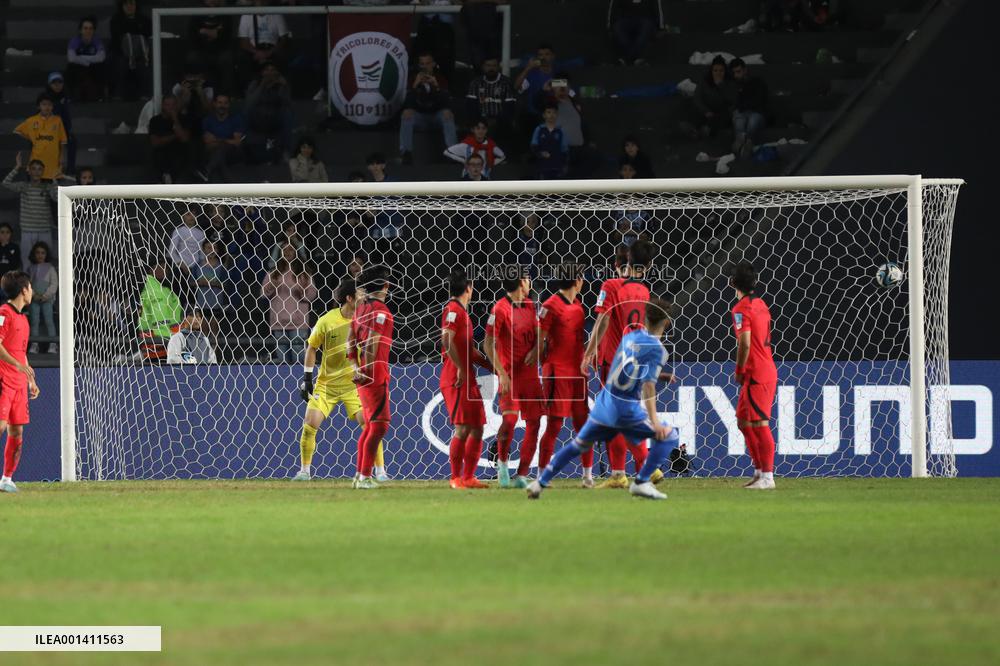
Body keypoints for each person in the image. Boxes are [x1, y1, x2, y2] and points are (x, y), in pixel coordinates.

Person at [528, 298, 679, 501]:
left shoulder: (630, 337)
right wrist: (654, 420)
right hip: (625, 408)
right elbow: (648, 385)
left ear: (644, 318)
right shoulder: (659, 349)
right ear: (667, 322)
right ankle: (642, 482)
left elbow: (627, 367)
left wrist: (660, 375)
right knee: (669, 435)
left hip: (604, 402)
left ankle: (539, 483)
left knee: (578, 444)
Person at [581, 240, 664, 488]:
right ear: (647, 266)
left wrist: (589, 350)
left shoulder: (611, 286)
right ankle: (619, 474)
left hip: (614, 361)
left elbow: (603, 320)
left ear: (621, 264)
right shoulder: (644, 291)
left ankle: (648, 466)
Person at [296, 279, 388, 482]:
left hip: (353, 385)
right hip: (326, 385)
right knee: (310, 424)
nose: (365, 298)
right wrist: (307, 378)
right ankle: (304, 472)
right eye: (361, 294)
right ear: (349, 298)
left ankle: (381, 472)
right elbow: (311, 347)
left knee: (370, 424)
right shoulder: (326, 321)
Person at [535, 262, 595, 486]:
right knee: (554, 425)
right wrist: (544, 363)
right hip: (556, 374)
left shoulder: (578, 306)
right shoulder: (550, 305)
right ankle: (542, 475)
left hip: (578, 374)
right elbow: (539, 338)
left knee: (583, 424)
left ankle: (588, 476)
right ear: (577, 281)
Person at [484, 270, 542, 488]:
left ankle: (522, 474)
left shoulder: (530, 305)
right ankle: (502, 464)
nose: (530, 283)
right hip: (509, 375)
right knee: (509, 420)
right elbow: (487, 344)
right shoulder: (499, 309)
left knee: (535, 423)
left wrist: (536, 351)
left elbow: (538, 336)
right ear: (520, 283)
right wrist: (501, 372)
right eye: (527, 280)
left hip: (529, 375)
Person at [729, 260, 779, 490]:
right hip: (763, 368)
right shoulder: (761, 304)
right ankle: (759, 472)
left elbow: (745, 343)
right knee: (742, 421)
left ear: (732, 283)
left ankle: (768, 477)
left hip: (756, 372)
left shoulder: (740, 309)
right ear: (755, 282)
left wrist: (739, 369)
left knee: (759, 423)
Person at [440, 269, 492, 488]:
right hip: (456, 377)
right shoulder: (453, 309)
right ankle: (455, 478)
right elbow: (445, 339)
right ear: (468, 288)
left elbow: (469, 349)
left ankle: (469, 477)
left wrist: (491, 366)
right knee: (462, 428)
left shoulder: (463, 312)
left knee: (478, 426)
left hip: (467, 375)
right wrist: (461, 367)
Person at [348, 265, 395, 489]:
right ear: (385, 286)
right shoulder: (382, 312)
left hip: (363, 373)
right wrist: (365, 370)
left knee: (370, 426)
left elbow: (351, 341)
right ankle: (365, 476)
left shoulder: (359, 309)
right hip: (374, 375)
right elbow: (371, 344)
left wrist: (354, 365)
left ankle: (360, 475)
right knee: (380, 426)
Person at [0, 271, 41, 493]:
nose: (32, 292)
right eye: (31, 288)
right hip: (3, 379)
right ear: (24, 290)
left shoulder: (23, 319)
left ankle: (7, 479)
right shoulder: (3, 313)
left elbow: (21, 353)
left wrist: (30, 379)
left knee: (16, 432)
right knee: (1, 426)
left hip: (18, 383)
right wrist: (16, 365)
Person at [2, 153, 69, 257]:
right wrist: (17, 167)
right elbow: (5, 183)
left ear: (43, 172)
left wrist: (54, 180)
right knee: (27, 261)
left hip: (44, 230)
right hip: (27, 230)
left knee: (45, 260)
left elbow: (57, 198)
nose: (36, 172)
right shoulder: (23, 186)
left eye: (39, 169)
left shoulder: (47, 186)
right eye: (34, 169)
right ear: (29, 171)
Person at [262, 243, 317, 365]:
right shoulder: (273, 272)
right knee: (282, 362)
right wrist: (272, 286)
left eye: (291, 250)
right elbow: (263, 293)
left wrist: (303, 291)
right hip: (278, 321)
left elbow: (313, 294)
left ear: (296, 252)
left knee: (300, 358)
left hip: (298, 322)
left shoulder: (304, 272)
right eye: (284, 250)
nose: (287, 252)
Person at [399, 52, 457, 165]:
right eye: (422, 64)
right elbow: (407, 104)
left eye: (428, 63)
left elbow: (447, 104)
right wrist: (415, 85)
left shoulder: (440, 79)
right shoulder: (412, 79)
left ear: (433, 64)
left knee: (447, 113)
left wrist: (436, 87)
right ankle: (406, 153)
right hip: (420, 118)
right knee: (406, 113)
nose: (425, 66)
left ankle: (453, 153)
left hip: (436, 118)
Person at [244, 62, 293, 164]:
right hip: (258, 118)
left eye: (272, 70)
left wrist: (283, 87)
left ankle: (286, 151)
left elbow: (288, 104)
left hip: (274, 118)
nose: (269, 73)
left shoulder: (280, 85)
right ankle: (246, 148)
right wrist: (262, 85)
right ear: (262, 72)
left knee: (287, 114)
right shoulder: (255, 84)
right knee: (247, 111)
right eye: (267, 70)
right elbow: (249, 103)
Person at [13, 94, 68, 180]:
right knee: (34, 187)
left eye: (49, 104)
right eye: (44, 104)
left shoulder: (57, 120)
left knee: (50, 186)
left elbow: (63, 140)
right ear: (39, 106)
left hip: (53, 158)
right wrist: (31, 138)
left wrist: (62, 155)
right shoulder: (32, 120)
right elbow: (17, 131)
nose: (47, 107)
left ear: (53, 106)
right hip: (37, 157)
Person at [237, 0, 291, 86]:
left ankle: (282, 88)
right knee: (242, 59)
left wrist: (269, 52)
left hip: (272, 49)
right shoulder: (246, 15)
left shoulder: (277, 14)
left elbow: (284, 38)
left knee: (283, 56)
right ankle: (248, 90)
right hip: (254, 50)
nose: (260, 2)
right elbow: (243, 42)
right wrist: (257, 52)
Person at [188, 0, 235, 95]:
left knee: (227, 58)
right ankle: (197, 93)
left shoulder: (226, 15)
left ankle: (225, 95)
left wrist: (203, 31)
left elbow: (226, 37)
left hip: (220, 51)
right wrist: (214, 32)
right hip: (201, 51)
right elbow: (192, 36)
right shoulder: (196, 15)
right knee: (192, 57)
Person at [109, 0, 151, 101]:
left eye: (132, 3)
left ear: (136, 5)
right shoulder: (115, 20)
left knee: (144, 63)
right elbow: (116, 38)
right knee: (120, 62)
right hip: (121, 52)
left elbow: (147, 34)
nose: (129, 6)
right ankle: (117, 94)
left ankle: (145, 94)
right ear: (122, 6)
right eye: (126, 4)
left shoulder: (144, 19)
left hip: (141, 53)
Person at [465, 56, 515, 139]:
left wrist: (497, 120)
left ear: (498, 67)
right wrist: (482, 120)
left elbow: (509, 107)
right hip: (480, 119)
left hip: (501, 120)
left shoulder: (506, 82)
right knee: (477, 126)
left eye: (494, 66)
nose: (491, 68)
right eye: (488, 65)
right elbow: (471, 106)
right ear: (483, 67)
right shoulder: (476, 83)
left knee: (503, 127)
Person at [149, 94, 193, 183]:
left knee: (183, 155)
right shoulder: (155, 120)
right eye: (167, 105)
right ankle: (165, 177)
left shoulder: (183, 119)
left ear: (177, 105)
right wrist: (176, 135)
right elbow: (155, 142)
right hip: (161, 153)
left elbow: (184, 139)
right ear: (162, 106)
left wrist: (175, 119)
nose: (171, 108)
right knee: (157, 155)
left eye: (173, 105)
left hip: (179, 152)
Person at [730, 58, 768, 158]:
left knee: (753, 121)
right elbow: (735, 104)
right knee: (739, 120)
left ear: (745, 70)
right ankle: (741, 140)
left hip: (756, 112)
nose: (736, 75)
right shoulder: (734, 85)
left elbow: (759, 101)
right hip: (742, 112)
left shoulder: (757, 81)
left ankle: (748, 143)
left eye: (738, 71)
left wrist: (744, 104)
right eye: (734, 72)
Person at [202, 94, 245, 183]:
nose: (222, 106)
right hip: (212, 152)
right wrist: (228, 141)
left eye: (225, 103)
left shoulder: (236, 119)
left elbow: (237, 143)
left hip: (231, 154)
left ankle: (207, 170)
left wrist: (219, 140)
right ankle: (231, 183)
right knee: (220, 157)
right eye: (219, 103)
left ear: (229, 105)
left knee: (222, 148)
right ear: (214, 104)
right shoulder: (208, 121)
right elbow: (207, 143)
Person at [191, 239, 229, 340]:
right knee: (203, 331)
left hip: (216, 304)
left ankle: (214, 354)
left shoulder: (221, 267)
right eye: (208, 247)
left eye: (214, 247)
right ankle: (205, 354)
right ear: (203, 250)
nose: (211, 250)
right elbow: (191, 282)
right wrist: (200, 283)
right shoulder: (197, 266)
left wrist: (211, 283)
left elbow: (225, 284)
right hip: (201, 303)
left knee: (214, 331)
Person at [689, 56, 735, 138]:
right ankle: (695, 130)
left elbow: (732, 100)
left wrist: (721, 86)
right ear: (711, 71)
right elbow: (697, 97)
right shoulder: (705, 81)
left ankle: (708, 131)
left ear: (725, 71)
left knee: (724, 118)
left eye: (721, 71)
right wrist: (706, 111)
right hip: (706, 110)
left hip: (721, 113)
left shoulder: (729, 82)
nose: (718, 73)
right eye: (715, 70)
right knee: (691, 107)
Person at [26, 241, 58, 355]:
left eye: (43, 253)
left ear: (46, 254)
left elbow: (54, 284)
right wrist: (34, 295)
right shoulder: (31, 268)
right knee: (34, 321)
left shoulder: (50, 268)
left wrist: (45, 296)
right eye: (38, 253)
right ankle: (35, 344)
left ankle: (53, 344)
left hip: (47, 300)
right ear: (34, 254)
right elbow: (28, 284)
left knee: (49, 321)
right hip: (34, 299)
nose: (40, 255)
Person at [607, 0, 664, 66]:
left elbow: (658, 7)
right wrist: (610, 27)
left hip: (645, 20)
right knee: (617, 27)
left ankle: (626, 59)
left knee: (646, 27)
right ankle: (636, 58)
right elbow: (613, 7)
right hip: (626, 20)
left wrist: (661, 27)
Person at [66, 16, 107, 102]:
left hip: (93, 67)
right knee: (70, 68)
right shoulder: (75, 41)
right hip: (80, 67)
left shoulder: (97, 41)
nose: (88, 31)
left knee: (102, 67)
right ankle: (71, 96)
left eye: (90, 28)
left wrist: (81, 57)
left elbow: (101, 57)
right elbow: (71, 58)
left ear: (93, 31)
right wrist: (89, 61)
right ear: (80, 30)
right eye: (85, 28)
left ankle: (100, 96)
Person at [44, 72, 76, 175]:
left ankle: (70, 170)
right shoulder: (45, 98)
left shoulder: (65, 97)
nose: (57, 85)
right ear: (49, 84)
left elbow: (66, 117)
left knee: (72, 141)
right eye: (54, 83)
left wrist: (68, 130)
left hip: (62, 130)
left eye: (60, 82)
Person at [515, 44, 556, 118]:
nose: (543, 57)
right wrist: (528, 68)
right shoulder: (531, 75)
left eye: (547, 54)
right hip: (534, 116)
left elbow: (567, 90)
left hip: (554, 116)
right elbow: (517, 87)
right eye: (540, 55)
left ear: (552, 56)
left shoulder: (557, 73)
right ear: (537, 57)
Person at [530, 103, 568, 179]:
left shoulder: (561, 130)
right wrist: (540, 153)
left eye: (554, 112)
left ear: (557, 115)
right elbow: (534, 146)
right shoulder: (539, 129)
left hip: (557, 167)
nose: (551, 115)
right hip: (542, 166)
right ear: (544, 115)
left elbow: (564, 149)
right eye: (549, 112)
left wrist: (564, 165)